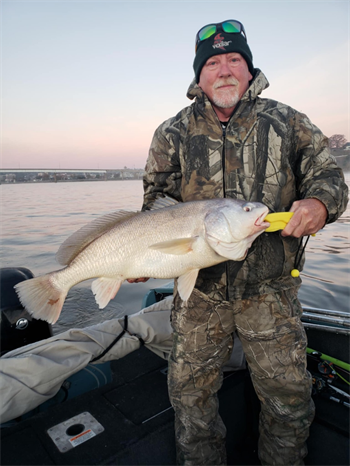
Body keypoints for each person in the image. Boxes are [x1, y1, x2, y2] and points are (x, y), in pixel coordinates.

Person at [134, 19, 349, 466]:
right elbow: (156, 202)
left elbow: (329, 178)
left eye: (235, 59)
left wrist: (320, 205)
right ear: (199, 76)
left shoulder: (288, 121)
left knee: (289, 401)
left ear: (250, 71)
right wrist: (143, 256)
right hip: (198, 296)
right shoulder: (170, 133)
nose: (225, 69)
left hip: (270, 291)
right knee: (191, 401)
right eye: (213, 62)